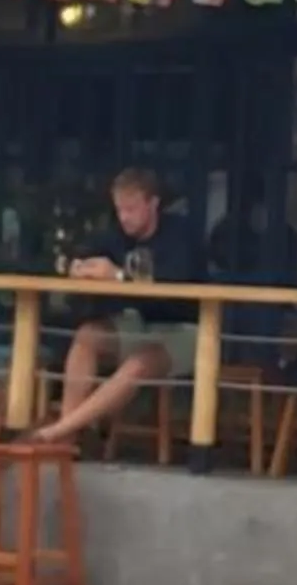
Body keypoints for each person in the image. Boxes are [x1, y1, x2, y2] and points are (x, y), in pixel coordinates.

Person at [30, 168, 200, 450]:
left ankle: (58, 432)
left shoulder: (181, 235)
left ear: (153, 204)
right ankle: (68, 441)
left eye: (132, 209)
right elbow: (87, 253)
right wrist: (79, 266)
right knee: (87, 335)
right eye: (119, 209)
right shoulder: (114, 234)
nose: (124, 217)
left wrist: (118, 276)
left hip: (184, 330)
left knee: (138, 364)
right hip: (136, 325)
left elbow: (176, 283)